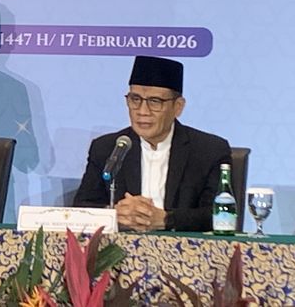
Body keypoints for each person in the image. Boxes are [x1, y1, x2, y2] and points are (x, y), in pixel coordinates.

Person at [73, 56, 231, 231]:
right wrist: (115, 215)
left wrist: (167, 219)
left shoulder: (209, 151)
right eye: (135, 99)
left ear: (178, 107)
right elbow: (82, 208)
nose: (142, 111)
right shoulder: (107, 148)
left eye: (155, 102)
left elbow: (220, 215)